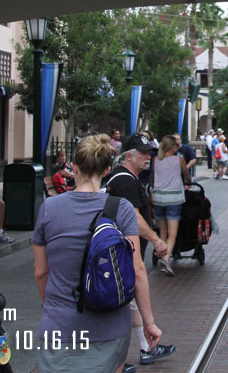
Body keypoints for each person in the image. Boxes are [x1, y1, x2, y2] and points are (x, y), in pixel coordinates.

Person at [34, 133, 164, 373]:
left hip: (59, 324)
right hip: (109, 326)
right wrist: (149, 322)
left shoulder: (49, 208)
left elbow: (41, 272)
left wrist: (51, 307)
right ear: (106, 171)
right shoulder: (120, 208)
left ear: (73, 167)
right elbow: (137, 270)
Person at [103, 134, 175, 367]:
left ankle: (145, 348)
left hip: (125, 250)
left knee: (130, 302)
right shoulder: (124, 181)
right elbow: (133, 216)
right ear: (128, 156)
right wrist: (157, 240)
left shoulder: (129, 180)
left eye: (149, 153)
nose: (148, 157)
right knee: (127, 301)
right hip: (125, 251)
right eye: (143, 153)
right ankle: (121, 358)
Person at [151, 135, 191, 276]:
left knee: (162, 231)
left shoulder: (155, 160)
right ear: (173, 147)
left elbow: (152, 178)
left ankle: (162, 255)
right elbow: (186, 175)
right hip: (174, 198)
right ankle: (166, 259)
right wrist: (189, 182)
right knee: (172, 234)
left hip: (158, 198)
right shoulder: (178, 160)